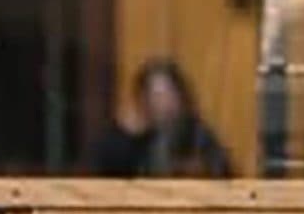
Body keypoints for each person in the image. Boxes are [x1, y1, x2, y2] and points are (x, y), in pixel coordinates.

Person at [94, 56, 232, 180]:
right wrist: (125, 137)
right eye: (156, 95)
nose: (163, 102)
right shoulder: (131, 136)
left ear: (181, 96)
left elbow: (223, 175)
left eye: (169, 93)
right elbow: (106, 175)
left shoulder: (197, 134)